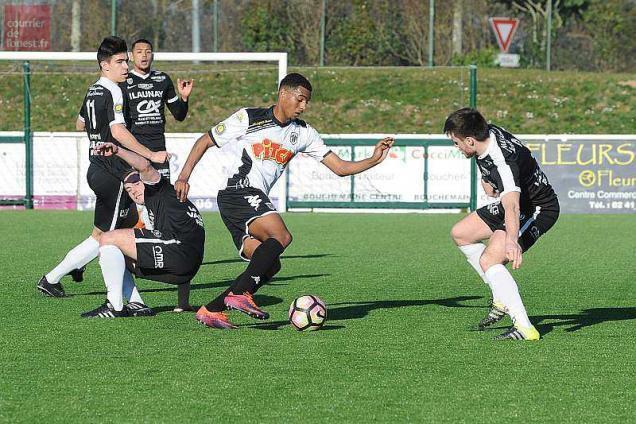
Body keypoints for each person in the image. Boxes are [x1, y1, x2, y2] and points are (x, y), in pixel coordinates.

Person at [174, 72, 395, 329]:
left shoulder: (304, 133)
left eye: (307, 102)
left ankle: (211, 310)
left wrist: (373, 159)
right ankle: (240, 294)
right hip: (238, 190)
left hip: (248, 201)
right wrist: (183, 177)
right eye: (300, 99)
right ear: (283, 94)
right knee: (282, 236)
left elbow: (340, 167)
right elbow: (205, 141)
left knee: (269, 264)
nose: (304, 106)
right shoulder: (249, 118)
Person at [37, 36, 168, 298]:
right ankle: (118, 298)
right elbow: (118, 132)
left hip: (97, 167)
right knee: (107, 237)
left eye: (125, 61)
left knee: (114, 228)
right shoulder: (114, 91)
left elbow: (80, 124)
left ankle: (72, 269)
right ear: (104, 65)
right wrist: (150, 154)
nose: (125, 67)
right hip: (112, 171)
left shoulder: (93, 89)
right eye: (120, 62)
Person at [445, 108, 559, 341]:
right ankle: (500, 296)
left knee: (490, 260)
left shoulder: (504, 164)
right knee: (461, 233)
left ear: (469, 140)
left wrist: (511, 240)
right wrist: (487, 180)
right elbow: (489, 172)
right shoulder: (488, 133)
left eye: (456, 143)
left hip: (536, 208)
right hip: (517, 202)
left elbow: (512, 207)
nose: (456, 148)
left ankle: (525, 328)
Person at [81, 142, 205, 318]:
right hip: (184, 271)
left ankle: (114, 306)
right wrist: (183, 303)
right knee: (114, 251)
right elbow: (188, 245)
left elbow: (145, 166)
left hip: (179, 257)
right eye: (128, 190)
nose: (133, 191)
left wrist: (117, 150)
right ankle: (137, 304)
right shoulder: (170, 207)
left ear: (145, 181)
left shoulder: (160, 190)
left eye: (136, 184)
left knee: (107, 238)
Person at [125, 38, 193, 180]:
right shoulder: (123, 81)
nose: (144, 55)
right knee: (133, 194)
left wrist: (184, 98)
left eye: (148, 52)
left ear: (153, 56)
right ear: (131, 56)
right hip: (134, 146)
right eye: (139, 52)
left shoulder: (163, 79)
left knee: (163, 195)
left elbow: (179, 115)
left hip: (158, 146)